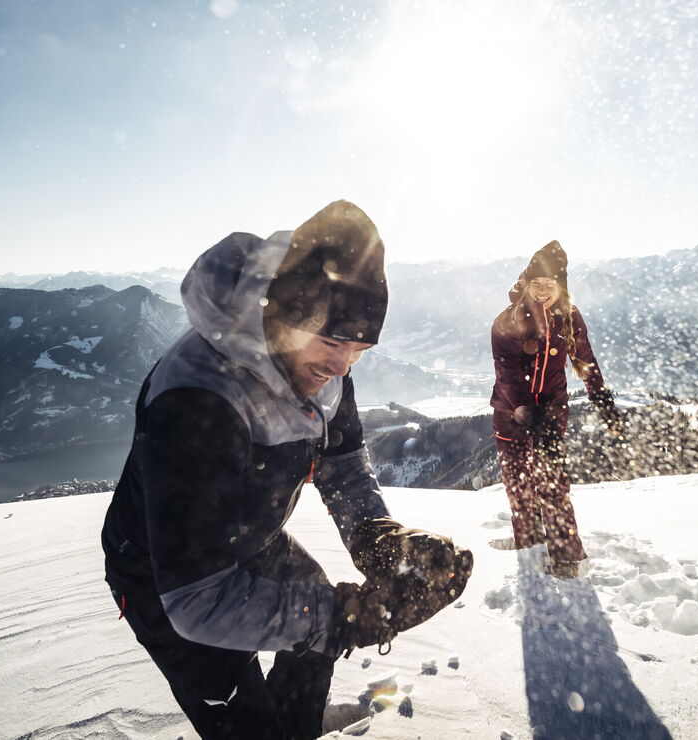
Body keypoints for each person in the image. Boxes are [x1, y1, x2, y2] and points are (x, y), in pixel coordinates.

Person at [101, 200, 473, 740]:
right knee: (243, 711)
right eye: (333, 342)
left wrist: (380, 539)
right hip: (165, 575)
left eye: (361, 350)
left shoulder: (321, 366)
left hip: (255, 536)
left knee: (315, 634)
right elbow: (197, 600)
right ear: (288, 314)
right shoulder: (197, 396)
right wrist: (343, 615)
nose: (343, 366)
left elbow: (342, 468)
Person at [490, 240, 619, 578]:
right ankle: (529, 543)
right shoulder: (507, 321)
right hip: (510, 410)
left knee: (552, 482)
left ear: (561, 286)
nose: (543, 290)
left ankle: (567, 557)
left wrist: (602, 400)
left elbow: (585, 360)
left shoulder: (570, 318)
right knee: (517, 479)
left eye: (551, 284)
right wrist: (522, 408)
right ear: (526, 283)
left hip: (551, 410)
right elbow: (507, 373)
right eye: (537, 283)